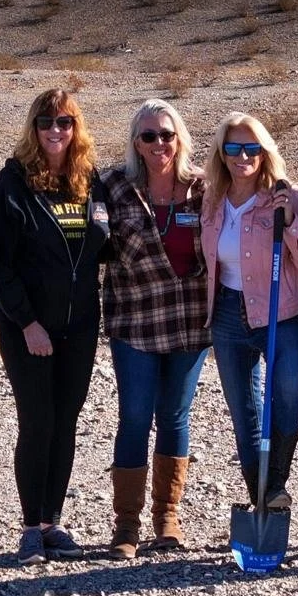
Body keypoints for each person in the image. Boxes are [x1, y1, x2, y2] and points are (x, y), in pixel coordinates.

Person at [0, 88, 112, 566]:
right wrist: (27, 323)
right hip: (29, 328)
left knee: (66, 422)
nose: (55, 131)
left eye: (64, 122)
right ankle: (29, 526)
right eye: (45, 122)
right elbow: (0, 265)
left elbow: (105, 244)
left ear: (75, 127)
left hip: (79, 323)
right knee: (37, 421)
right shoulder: (13, 182)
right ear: (33, 128)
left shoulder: (88, 180)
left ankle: (52, 522)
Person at [101, 99, 210, 559]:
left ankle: (167, 516)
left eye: (166, 134)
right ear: (135, 143)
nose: (159, 143)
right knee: (134, 416)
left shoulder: (205, 187)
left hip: (189, 322)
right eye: (149, 136)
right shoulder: (113, 187)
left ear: (179, 137)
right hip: (134, 320)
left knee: (175, 417)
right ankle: (126, 524)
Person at [201, 112, 298, 510]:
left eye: (251, 148)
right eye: (233, 148)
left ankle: (277, 480)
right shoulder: (212, 197)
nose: (242, 156)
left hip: (279, 313)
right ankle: (264, 495)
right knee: (245, 410)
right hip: (227, 315)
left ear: (264, 152)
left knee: (286, 398)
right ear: (222, 153)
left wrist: (289, 225)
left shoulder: (287, 197)